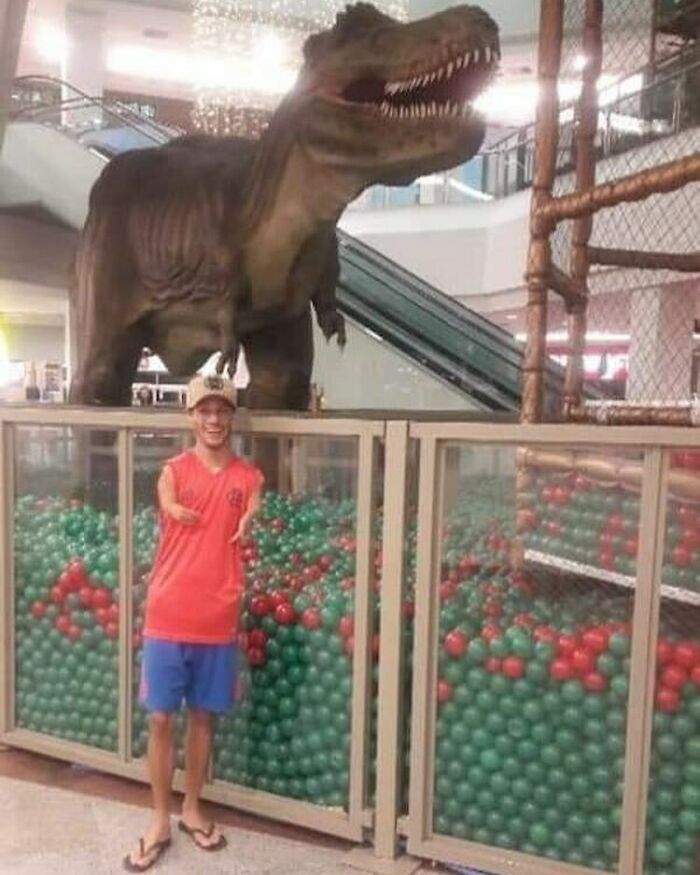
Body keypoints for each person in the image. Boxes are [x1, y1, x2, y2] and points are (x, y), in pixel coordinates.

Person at [124, 374, 263, 872]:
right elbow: (165, 495)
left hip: (218, 615)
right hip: (167, 613)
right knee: (161, 718)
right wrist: (170, 506)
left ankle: (191, 807)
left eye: (222, 410)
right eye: (204, 411)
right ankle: (159, 818)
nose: (213, 419)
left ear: (231, 418)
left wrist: (248, 521)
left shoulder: (248, 476)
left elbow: (254, 505)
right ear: (190, 417)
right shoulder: (173, 469)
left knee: (204, 718)